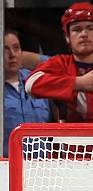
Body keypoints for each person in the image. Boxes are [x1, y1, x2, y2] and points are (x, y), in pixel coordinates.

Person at [24, 2, 93, 123]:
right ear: (67, 37)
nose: (84, 34)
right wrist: (78, 83)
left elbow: (89, 110)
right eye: (77, 30)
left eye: (90, 28)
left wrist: (55, 87)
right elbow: (31, 85)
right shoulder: (60, 62)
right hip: (67, 140)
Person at [3, 29, 51, 157]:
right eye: (5, 49)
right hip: (6, 170)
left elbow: (61, 65)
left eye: (16, 48)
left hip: (42, 169)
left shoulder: (36, 81)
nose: (12, 54)